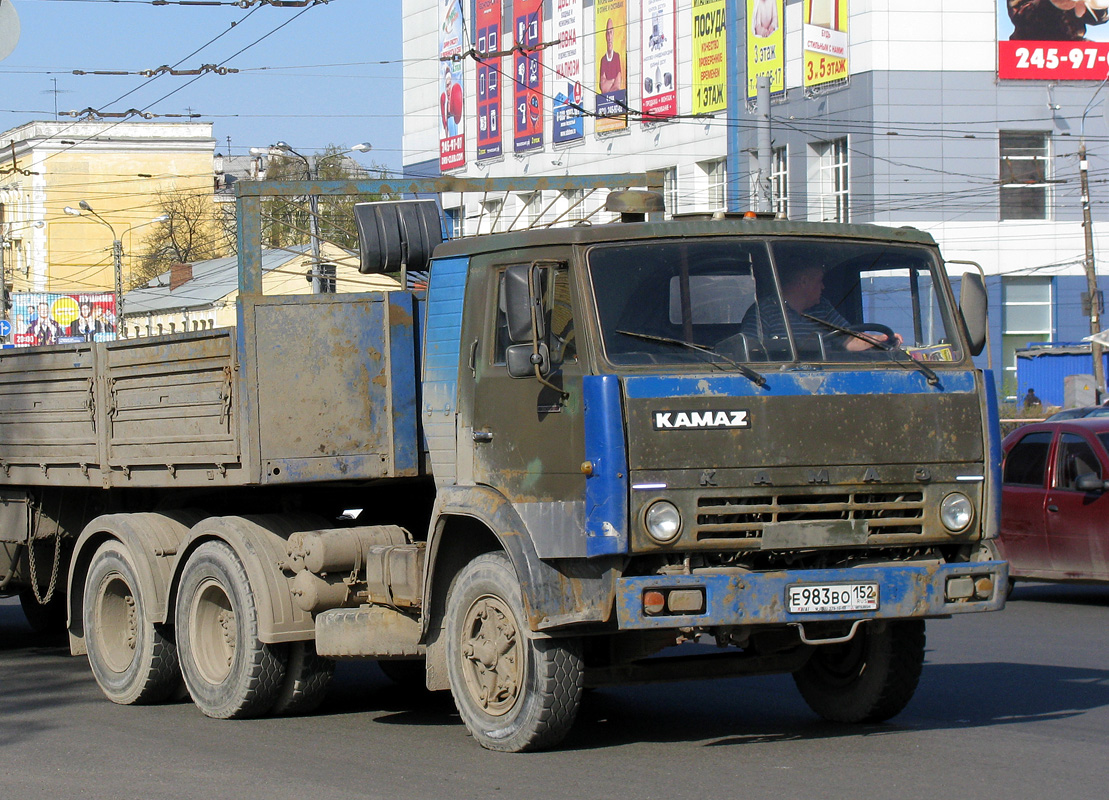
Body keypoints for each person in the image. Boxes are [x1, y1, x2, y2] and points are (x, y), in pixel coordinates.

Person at [742, 264, 901, 352]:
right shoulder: (763, 311)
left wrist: (880, 340)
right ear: (803, 282)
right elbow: (751, 352)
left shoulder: (822, 307)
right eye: (819, 281)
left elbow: (849, 339)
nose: (823, 287)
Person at [1007, 0, 1108, 41]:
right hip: (1029, 46)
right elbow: (1020, 16)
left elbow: (1098, 19)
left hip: (1072, 47)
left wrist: (1094, 6)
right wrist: (1056, 3)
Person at [599, 17, 623, 93]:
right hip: (605, 101)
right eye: (608, 33)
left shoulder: (616, 57)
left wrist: (608, 82)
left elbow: (617, 86)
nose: (609, 37)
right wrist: (613, 80)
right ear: (605, 36)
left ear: (613, 34)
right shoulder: (603, 60)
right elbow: (603, 88)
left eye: (611, 32)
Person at [440, 66, 463, 136]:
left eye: (449, 84)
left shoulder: (457, 97)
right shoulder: (445, 103)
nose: (448, 88)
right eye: (447, 86)